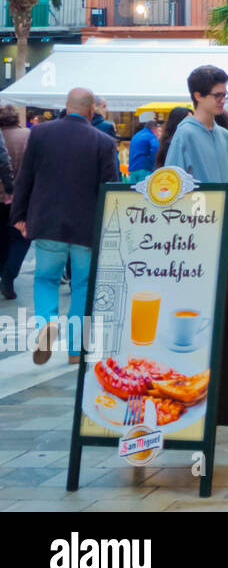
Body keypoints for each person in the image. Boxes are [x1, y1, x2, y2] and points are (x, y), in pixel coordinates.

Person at [12, 88, 119, 364]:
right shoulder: (104, 142)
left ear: (66, 106)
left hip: (48, 222)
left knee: (46, 279)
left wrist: (19, 215)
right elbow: (111, 188)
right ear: (91, 111)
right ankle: (76, 349)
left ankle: (47, 324)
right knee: (83, 284)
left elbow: (26, 177)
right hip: (86, 227)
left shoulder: (41, 134)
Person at [166, 66, 228, 183]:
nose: (223, 100)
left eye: (224, 95)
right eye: (217, 95)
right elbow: (172, 186)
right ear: (198, 96)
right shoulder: (184, 135)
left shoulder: (226, 136)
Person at [0, 104, 30, 300]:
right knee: (22, 237)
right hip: (21, 196)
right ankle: (9, 275)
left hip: (1, 196)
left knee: (2, 235)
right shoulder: (27, 135)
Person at [127, 114, 161, 183]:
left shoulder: (136, 135)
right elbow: (155, 149)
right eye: (158, 130)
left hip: (133, 169)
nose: (158, 133)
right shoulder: (151, 136)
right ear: (154, 129)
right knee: (144, 192)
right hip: (145, 169)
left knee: (132, 192)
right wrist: (155, 165)